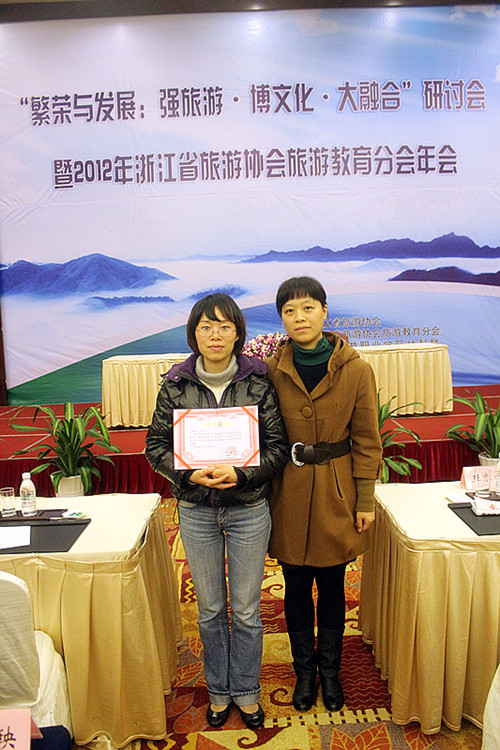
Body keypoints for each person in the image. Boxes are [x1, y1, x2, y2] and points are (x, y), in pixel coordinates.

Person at [145, 293, 288, 730]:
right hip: (197, 511)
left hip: (248, 509)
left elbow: (278, 448)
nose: (215, 335)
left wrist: (242, 475)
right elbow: (155, 447)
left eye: (225, 326)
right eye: (206, 327)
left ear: (238, 333)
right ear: (194, 334)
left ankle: (245, 689)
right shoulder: (176, 383)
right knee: (209, 610)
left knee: (245, 610)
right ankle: (218, 689)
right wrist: (189, 475)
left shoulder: (258, 380)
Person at [266, 276, 383, 714]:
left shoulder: (356, 369)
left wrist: (365, 500)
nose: (299, 317)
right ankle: (304, 673)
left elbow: (367, 439)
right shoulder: (271, 369)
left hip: (337, 488)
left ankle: (330, 673)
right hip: (288, 490)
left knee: (333, 583)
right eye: (289, 311)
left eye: (308, 307)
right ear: (282, 318)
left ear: (324, 311)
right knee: (294, 583)